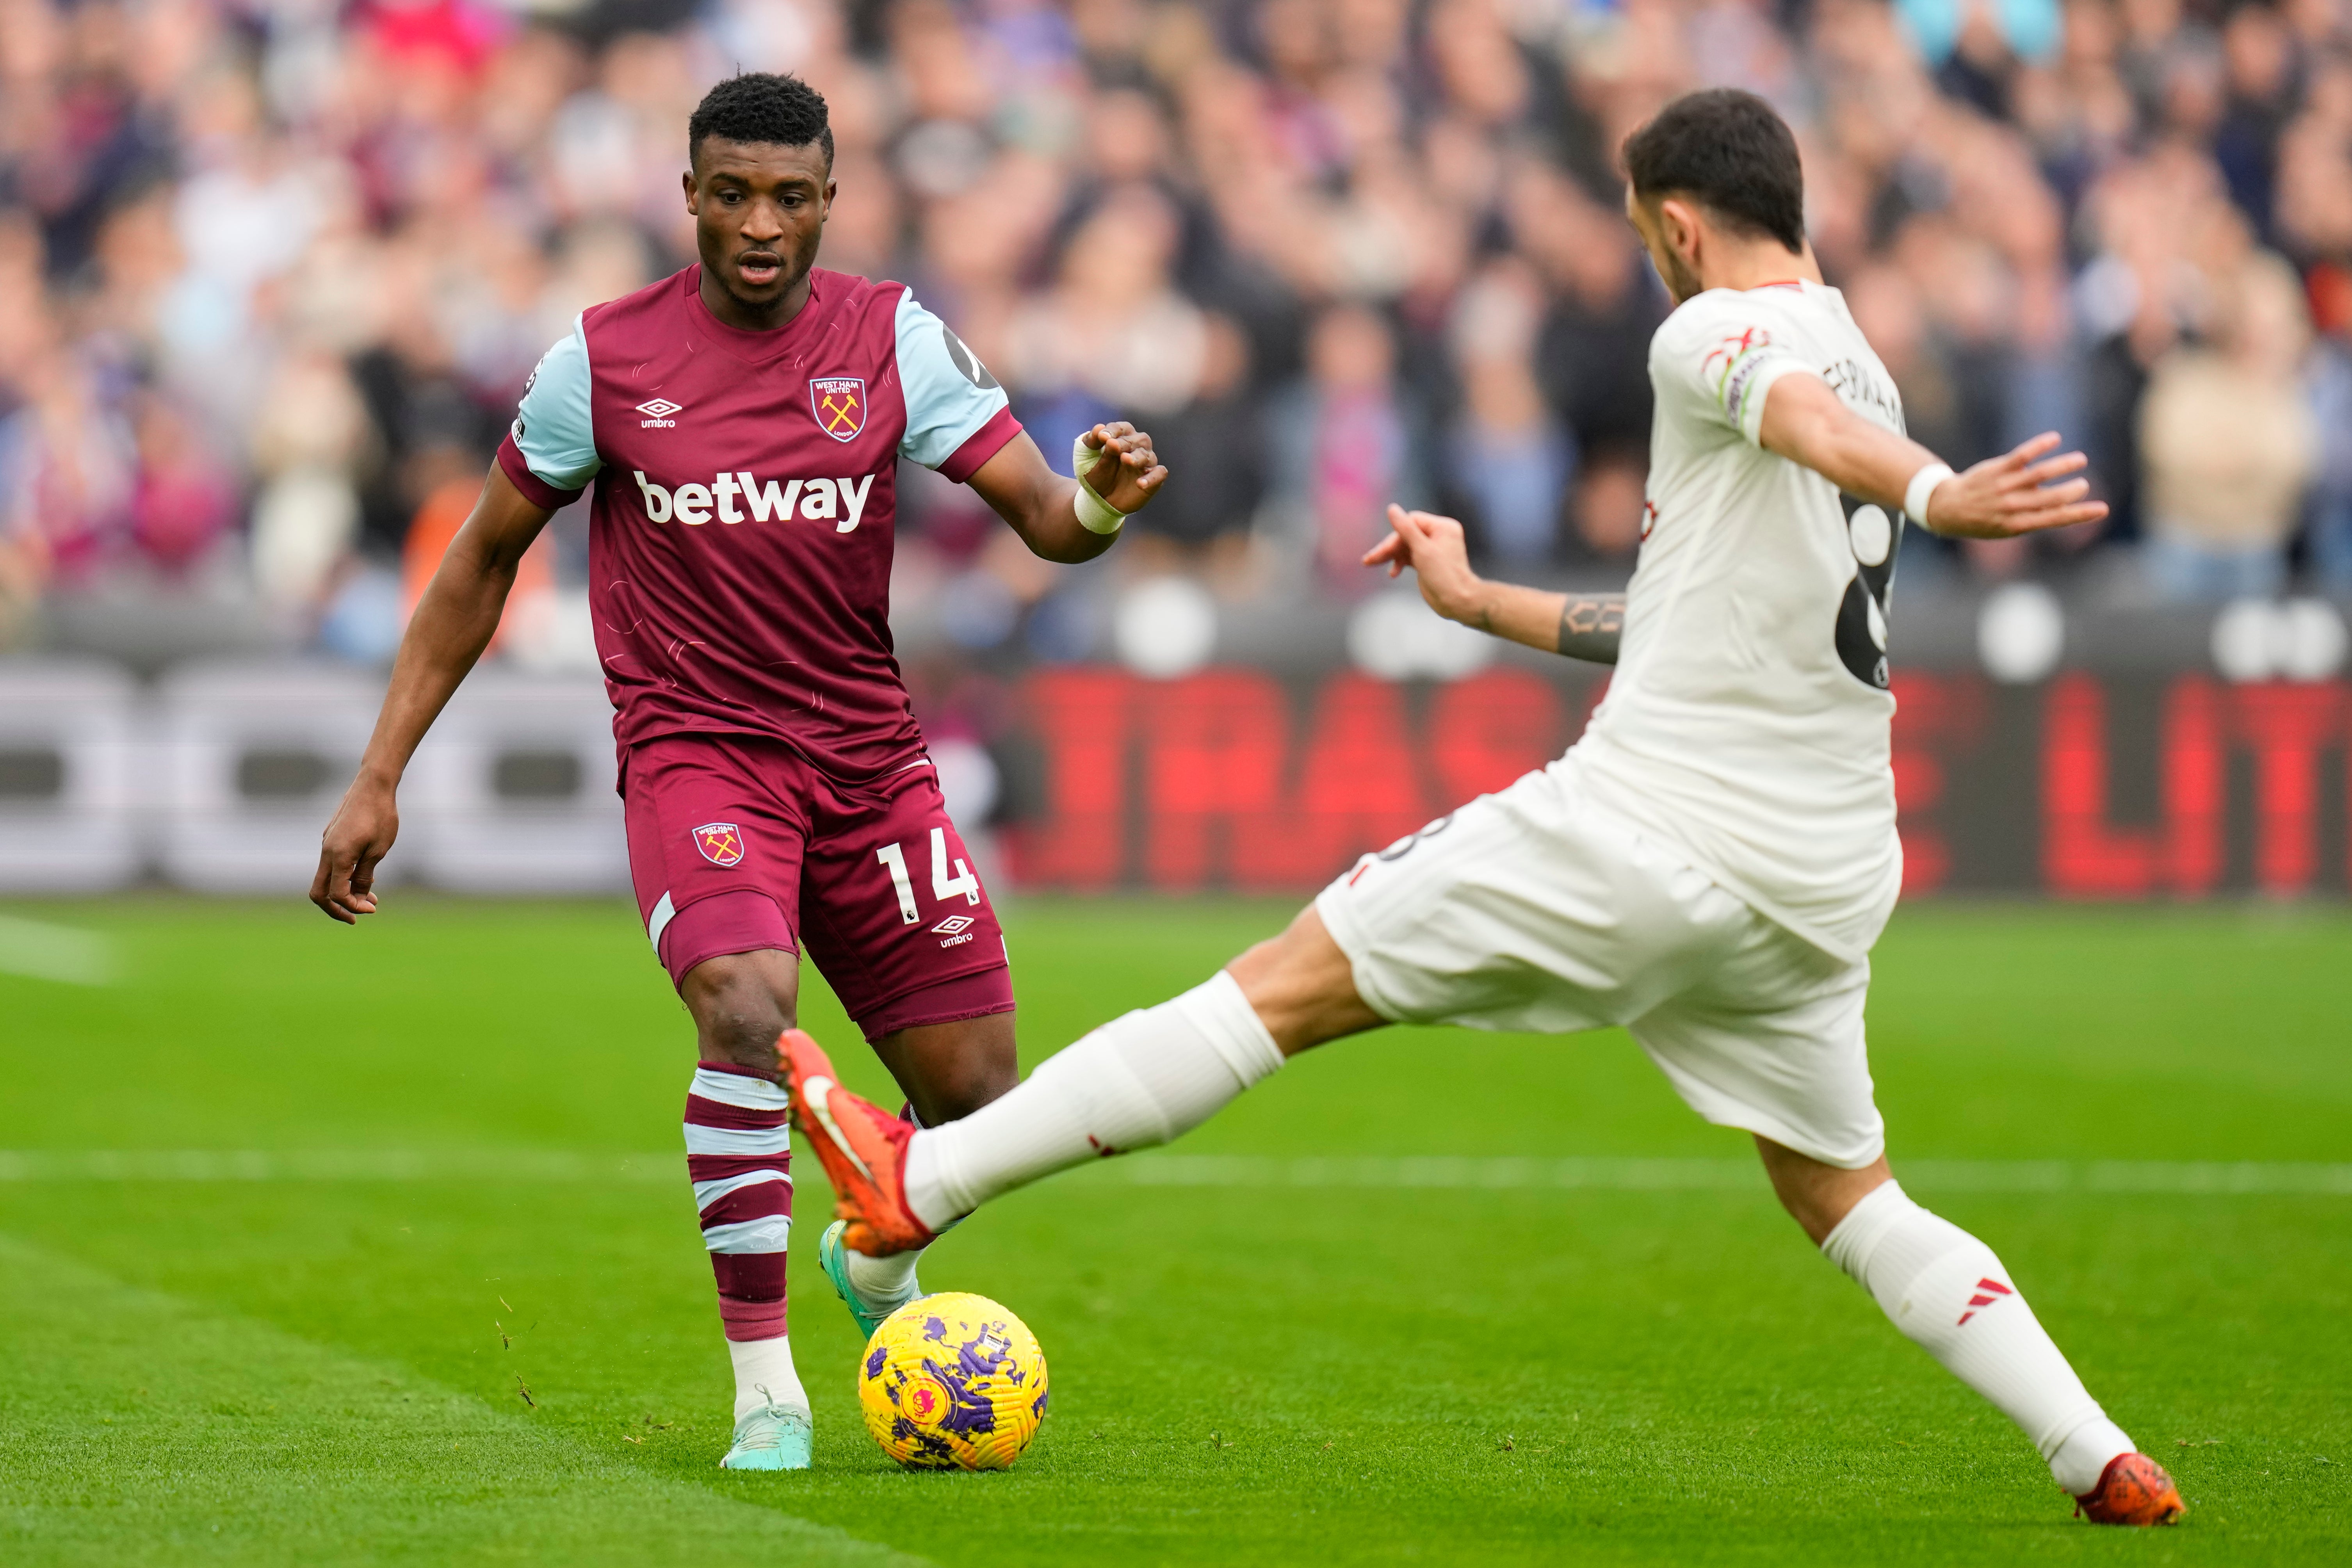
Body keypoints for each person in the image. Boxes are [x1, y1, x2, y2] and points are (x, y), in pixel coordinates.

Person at [778, 89, 2185, 1527]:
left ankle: (922, 1179)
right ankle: (2097, 1451)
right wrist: (1475, 601)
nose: (1647, 253)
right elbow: (1689, 609)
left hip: (1650, 829)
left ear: (1681, 224)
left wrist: (1941, 498)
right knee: (1848, 1194)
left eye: (1645, 229)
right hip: (1817, 878)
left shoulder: (1710, 330)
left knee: (1284, 987)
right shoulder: (1867, 354)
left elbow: (1805, 425)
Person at [308, 72, 1167, 1471]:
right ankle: (766, 1387)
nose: (759, 223)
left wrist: (1098, 506)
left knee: (981, 1095)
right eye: (732, 193)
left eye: (789, 196)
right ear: (688, 193)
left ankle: (869, 1244)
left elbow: (1043, 522)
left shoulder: (893, 338)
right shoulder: (602, 359)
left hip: (871, 763)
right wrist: (379, 771)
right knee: (745, 1008)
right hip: (699, 757)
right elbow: (479, 559)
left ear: (830, 201)